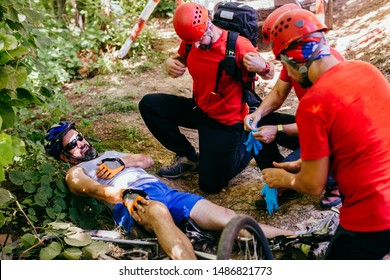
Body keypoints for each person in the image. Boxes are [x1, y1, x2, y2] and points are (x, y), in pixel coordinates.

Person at [44, 121, 295, 260]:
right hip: (134, 202)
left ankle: (298, 239)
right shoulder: (75, 173)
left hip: (164, 191)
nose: (81, 143)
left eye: (79, 137)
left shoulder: (111, 155)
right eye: (73, 145)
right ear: (65, 157)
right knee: (159, 211)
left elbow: (147, 160)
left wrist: (121, 162)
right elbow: (97, 191)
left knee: (228, 217)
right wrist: (125, 195)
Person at [262, 9, 390, 259]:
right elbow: (363, 135)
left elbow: (313, 184)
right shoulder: (365, 70)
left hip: (373, 214)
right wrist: (308, 162)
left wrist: (283, 179)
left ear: (294, 61)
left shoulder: (313, 104)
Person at [138, 2, 274, 194]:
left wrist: (263, 67)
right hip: (200, 109)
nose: (197, 45)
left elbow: (270, 73)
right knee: (150, 105)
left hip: (226, 121)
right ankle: (188, 157)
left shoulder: (237, 45)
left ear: (209, 24)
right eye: (192, 42)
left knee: (210, 185)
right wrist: (169, 62)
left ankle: (249, 138)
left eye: (200, 40)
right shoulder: (191, 40)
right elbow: (180, 58)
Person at [244, 4, 343, 210]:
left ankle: (335, 184)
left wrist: (278, 130)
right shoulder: (297, 63)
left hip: (331, 135)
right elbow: (279, 93)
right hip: (310, 128)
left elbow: (325, 127)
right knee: (265, 121)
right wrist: (258, 114)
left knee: (325, 143)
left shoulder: (328, 69)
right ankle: (279, 173)